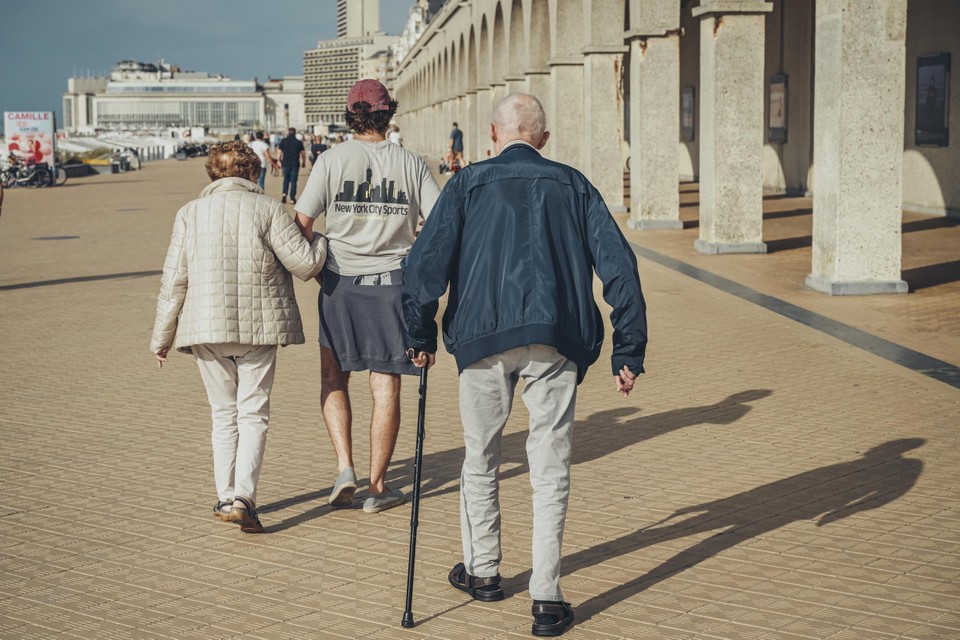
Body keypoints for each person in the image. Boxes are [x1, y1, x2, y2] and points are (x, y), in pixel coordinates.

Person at [402, 93, 647, 637]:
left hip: (481, 340)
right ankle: (545, 596)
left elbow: (423, 266)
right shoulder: (574, 185)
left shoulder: (466, 184)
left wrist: (417, 335)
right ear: (543, 137)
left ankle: (484, 572)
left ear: (493, 134)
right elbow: (619, 267)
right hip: (555, 340)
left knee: (480, 457)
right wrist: (628, 348)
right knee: (550, 467)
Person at [151, 141, 328, 533]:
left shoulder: (189, 214)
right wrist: (321, 243)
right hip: (258, 327)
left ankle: (224, 494)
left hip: (206, 328)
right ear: (253, 172)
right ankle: (244, 497)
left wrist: (161, 337)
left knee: (222, 414)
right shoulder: (268, 208)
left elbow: (174, 279)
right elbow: (303, 264)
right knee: (253, 412)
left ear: (213, 174)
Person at [294, 79, 441, 514]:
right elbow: (438, 226)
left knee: (333, 378)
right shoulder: (411, 164)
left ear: (350, 114)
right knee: (385, 386)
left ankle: (345, 467)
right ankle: (377, 488)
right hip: (393, 287)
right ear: (387, 113)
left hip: (340, 286)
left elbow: (301, 223)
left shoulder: (331, 160)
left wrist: (319, 269)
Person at [277, 127, 305, 204]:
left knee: (286, 179)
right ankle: (292, 198)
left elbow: (279, 152)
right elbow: (303, 153)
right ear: (295, 133)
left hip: (285, 163)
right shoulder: (298, 142)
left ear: (288, 133)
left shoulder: (283, 141)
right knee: (293, 181)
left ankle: (284, 194)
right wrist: (304, 161)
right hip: (295, 163)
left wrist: (279, 161)